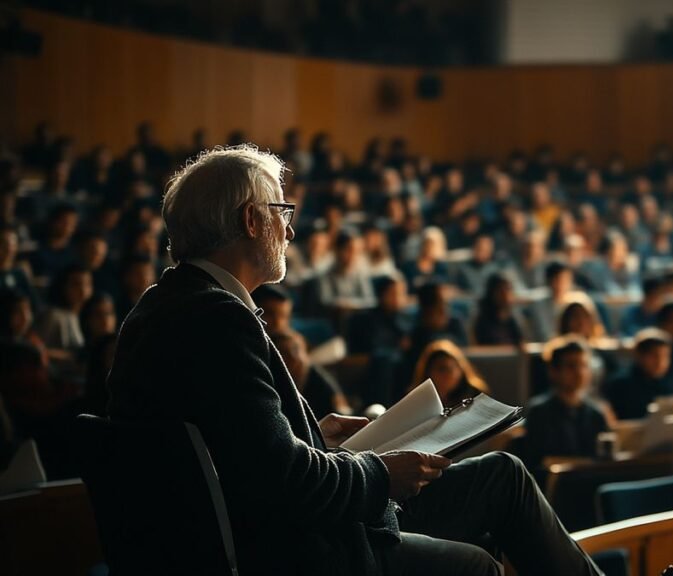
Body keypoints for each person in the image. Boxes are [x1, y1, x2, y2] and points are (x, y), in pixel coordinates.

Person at [105, 147, 601, 576]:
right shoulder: (218, 320)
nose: (289, 231)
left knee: (503, 475)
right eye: (282, 211)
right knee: (477, 557)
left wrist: (317, 436)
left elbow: (239, 452)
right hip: (301, 549)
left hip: (265, 529)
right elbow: (288, 483)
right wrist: (384, 473)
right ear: (252, 220)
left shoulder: (161, 307)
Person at [522, 335, 611, 471]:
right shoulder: (539, 412)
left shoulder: (596, 414)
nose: (579, 373)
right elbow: (535, 463)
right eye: (571, 366)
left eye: (583, 365)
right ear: (553, 371)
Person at [269, 328, 351, 419]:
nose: (294, 356)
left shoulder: (320, 380)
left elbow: (342, 412)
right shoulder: (273, 381)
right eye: (284, 352)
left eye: (296, 349)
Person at [605, 328, 673, 420]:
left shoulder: (666, 385)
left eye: (665, 356)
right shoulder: (620, 385)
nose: (660, 362)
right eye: (655, 356)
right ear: (639, 355)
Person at [410, 339, 490, 408]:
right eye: (442, 369)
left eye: (455, 367)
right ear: (428, 372)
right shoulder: (416, 399)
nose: (450, 374)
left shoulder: (476, 394)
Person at [472, 272, 524, 346]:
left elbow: (521, 343)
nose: (505, 295)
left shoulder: (513, 319)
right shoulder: (481, 321)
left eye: (508, 290)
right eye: (501, 291)